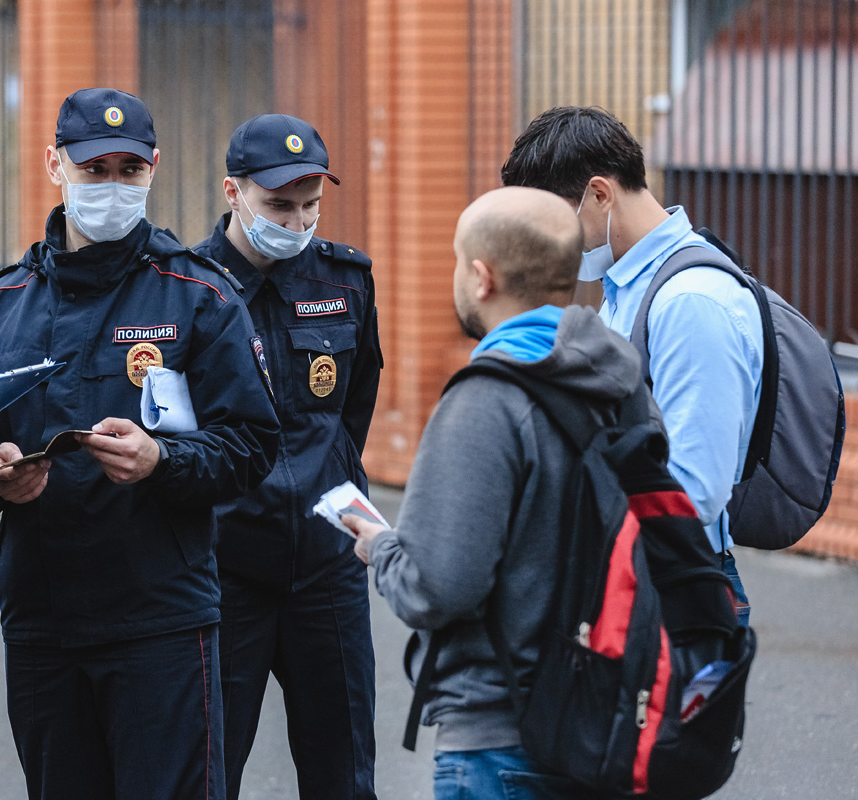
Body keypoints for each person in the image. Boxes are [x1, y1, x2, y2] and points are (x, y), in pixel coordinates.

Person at [0, 88, 280, 800]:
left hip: (159, 620)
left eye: (127, 172)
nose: (110, 186)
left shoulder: (198, 297)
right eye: (92, 169)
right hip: (43, 621)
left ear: (153, 171)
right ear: (54, 165)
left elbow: (252, 447)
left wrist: (163, 460)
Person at [345, 186, 637, 800]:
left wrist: (382, 548)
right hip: (604, 712)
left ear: (481, 277)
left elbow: (439, 586)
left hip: (503, 734)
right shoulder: (621, 380)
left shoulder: (486, 401)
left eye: (456, 260)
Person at [500, 106, 761, 625]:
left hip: (670, 586)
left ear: (600, 195)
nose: (550, 245)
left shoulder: (689, 301)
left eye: (552, 223)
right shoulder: (628, 286)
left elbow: (695, 491)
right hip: (631, 573)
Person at [193, 114, 381, 800]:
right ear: (232, 192)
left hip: (328, 571)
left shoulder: (346, 280)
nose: (296, 221)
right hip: (225, 568)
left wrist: (326, 481)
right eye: (278, 205)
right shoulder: (190, 289)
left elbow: (352, 408)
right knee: (210, 771)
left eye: (310, 205)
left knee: (344, 774)